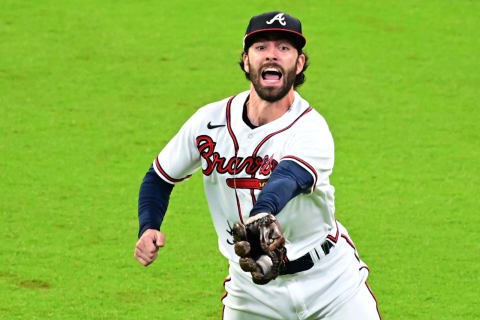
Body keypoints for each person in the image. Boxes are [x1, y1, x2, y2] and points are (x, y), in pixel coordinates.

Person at [134, 11, 381, 320]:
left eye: (284, 48)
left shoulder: (310, 127)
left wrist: (261, 214)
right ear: (247, 60)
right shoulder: (208, 122)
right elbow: (159, 176)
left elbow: (289, 176)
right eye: (261, 47)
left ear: (299, 63)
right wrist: (149, 226)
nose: (272, 55)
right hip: (251, 291)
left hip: (330, 284)